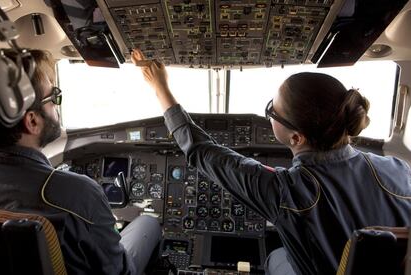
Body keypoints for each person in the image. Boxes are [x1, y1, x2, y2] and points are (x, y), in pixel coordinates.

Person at [131, 48, 411, 275]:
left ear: (296, 138)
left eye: (272, 111)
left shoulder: (289, 191)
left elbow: (200, 150)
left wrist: (160, 88)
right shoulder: (399, 170)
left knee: (276, 257)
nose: (269, 116)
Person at [0, 49, 162, 274]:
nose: (56, 105)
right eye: (53, 97)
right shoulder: (79, 193)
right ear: (32, 121)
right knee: (148, 224)